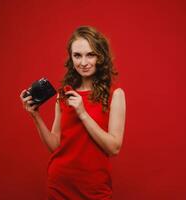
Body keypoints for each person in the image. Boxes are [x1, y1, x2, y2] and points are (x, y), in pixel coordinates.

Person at [20, 26, 126, 199]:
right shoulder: (64, 94)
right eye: (77, 55)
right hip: (60, 185)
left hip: (94, 188)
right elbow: (55, 145)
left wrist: (83, 113)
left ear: (100, 57)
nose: (83, 62)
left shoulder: (115, 94)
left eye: (90, 54)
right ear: (71, 58)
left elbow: (114, 148)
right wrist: (35, 115)